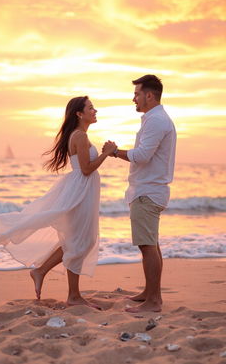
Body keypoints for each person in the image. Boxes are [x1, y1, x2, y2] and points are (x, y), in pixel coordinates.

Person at [0, 96, 116, 308]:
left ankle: (40, 271)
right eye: (91, 108)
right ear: (79, 113)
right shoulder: (79, 136)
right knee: (80, 241)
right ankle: (73, 296)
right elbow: (86, 169)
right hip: (81, 191)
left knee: (77, 241)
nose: (95, 111)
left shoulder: (80, 135)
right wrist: (106, 153)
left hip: (82, 190)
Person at [103, 75, 176, 312]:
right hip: (148, 189)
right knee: (151, 244)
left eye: (137, 94)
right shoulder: (154, 119)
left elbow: (142, 155)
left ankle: (154, 301)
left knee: (147, 246)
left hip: (148, 191)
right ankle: (150, 292)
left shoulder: (156, 121)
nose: (133, 98)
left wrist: (115, 152)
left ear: (149, 95)